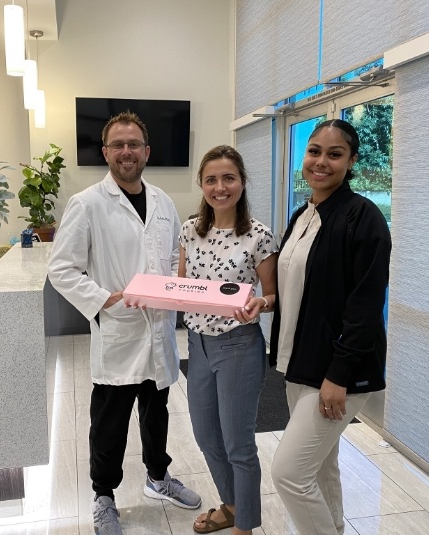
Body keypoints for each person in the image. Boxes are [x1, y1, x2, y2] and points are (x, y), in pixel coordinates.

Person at [47, 111, 201, 535]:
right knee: (110, 424)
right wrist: (104, 301)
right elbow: (61, 269)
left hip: (158, 332)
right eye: (118, 145)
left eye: (134, 144)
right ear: (106, 152)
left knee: (157, 415)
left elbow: (173, 258)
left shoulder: (164, 202)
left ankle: (158, 478)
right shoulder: (87, 204)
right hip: (118, 332)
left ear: (146, 152)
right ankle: (103, 497)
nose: (127, 152)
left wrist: (181, 286)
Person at [269, 119, 392, 535]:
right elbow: (295, 287)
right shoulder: (303, 215)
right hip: (300, 361)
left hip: (341, 370)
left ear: (352, 161)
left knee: (289, 472)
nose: (321, 161)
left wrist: (339, 374)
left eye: (334, 154)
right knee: (319, 466)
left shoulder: (364, 217)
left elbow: (365, 304)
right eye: (314, 151)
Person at [178, 146, 278, 534]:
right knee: (205, 435)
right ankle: (233, 505)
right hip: (197, 344)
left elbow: (272, 296)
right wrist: (150, 294)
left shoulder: (259, 236)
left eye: (228, 178)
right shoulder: (191, 230)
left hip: (238, 345)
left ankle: (245, 526)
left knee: (238, 443)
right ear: (202, 184)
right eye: (211, 180)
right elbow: (183, 285)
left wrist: (260, 303)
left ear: (242, 182)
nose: (220, 187)